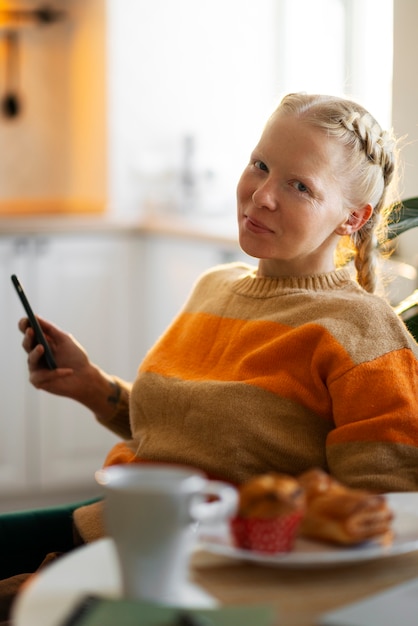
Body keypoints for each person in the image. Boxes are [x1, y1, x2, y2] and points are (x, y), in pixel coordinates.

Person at [4, 93, 418, 615]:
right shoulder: (214, 286)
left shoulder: (364, 333)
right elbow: (191, 434)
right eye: (260, 165)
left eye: (300, 186)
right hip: (106, 528)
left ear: (352, 217)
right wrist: (91, 386)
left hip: (186, 572)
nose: (261, 195)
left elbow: (387, 512)